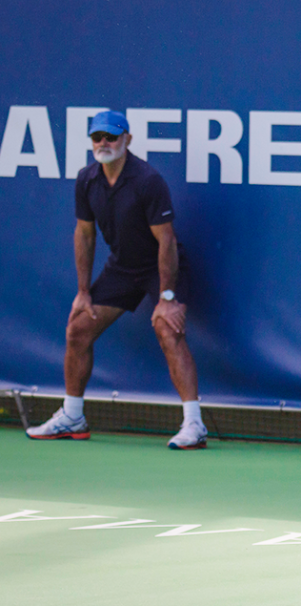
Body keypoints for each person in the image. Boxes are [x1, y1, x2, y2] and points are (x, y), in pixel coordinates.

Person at [26, 110, 208, 450]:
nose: (104, 143)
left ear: (127, 139)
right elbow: (85, 234)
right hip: (122, 268)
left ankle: (194, 424)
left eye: (111, 136)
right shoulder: (86, 180)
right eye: (97, 138)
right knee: (79, 326)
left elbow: (166, 241)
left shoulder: (147, 181)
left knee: (167, 328)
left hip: (160, 265)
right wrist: (83, 292)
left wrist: (167, 296)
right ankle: (73, 416)